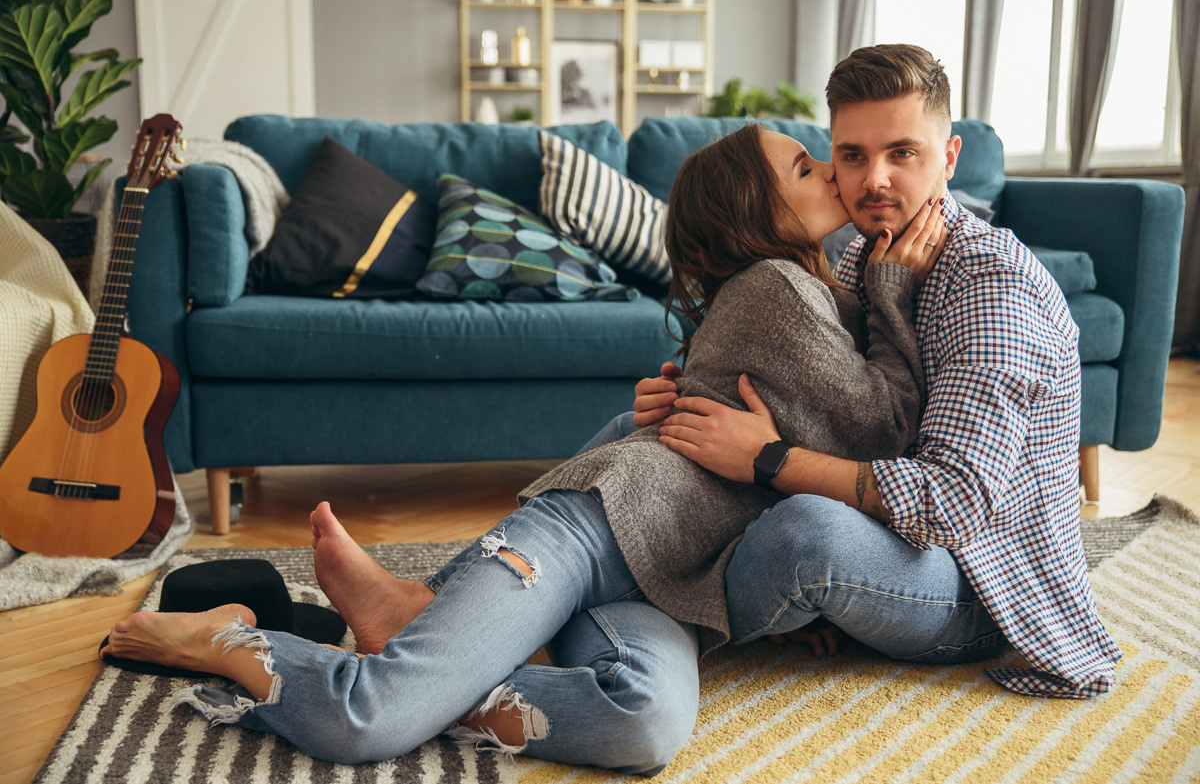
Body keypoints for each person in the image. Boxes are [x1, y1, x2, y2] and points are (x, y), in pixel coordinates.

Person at [100, 124, 945, 773]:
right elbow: (879, 434)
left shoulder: (806, 285)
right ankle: (226, 641)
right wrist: (898, 284)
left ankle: (424, 619)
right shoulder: (779, 286)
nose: (837, 174)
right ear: (755, 216)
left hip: (669, 574)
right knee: (370, 720)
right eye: (807, 167)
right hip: (599, 530)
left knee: (645, 722)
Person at [632, 44, 1121, 698]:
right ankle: (576, 590)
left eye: (903, 153)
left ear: (948, 158)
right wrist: (691, 394)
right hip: (887, 532)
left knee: (806, 532)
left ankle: (627, 614)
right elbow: (825, 397)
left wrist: (768, 458)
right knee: (657, 431)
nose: (874, 181)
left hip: (974, 584)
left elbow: (951, 507)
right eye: (853, 156)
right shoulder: (865, 248)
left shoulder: (990, 283)